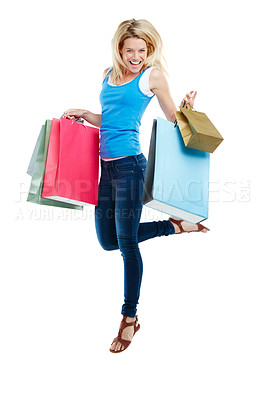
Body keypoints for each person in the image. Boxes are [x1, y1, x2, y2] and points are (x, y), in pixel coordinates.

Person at [63, 18, 209, 354]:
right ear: (120, 49)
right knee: (107, 241)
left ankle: (129, 318)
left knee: (127, 244)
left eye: (142, 50)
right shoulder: (108, 75)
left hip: (130, 168)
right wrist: (86, 113)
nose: (136, 56)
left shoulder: (151, 76)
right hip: (105, 170)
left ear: (149, 50)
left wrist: (187, 109)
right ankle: (173, 227)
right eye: (130, 50)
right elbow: (111, 117)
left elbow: (173, 117)